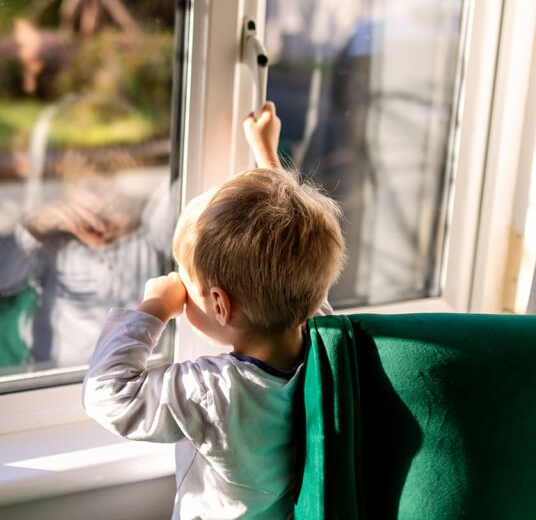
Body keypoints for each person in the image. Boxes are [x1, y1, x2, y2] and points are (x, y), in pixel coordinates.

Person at [82, 101, 345, 519]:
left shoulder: (214, 393)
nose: (180, 290)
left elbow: (109, 396)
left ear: (220, 304)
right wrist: (267, 159)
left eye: (186, 282)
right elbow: (291, 261)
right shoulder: (327, 344)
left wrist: (154, 309)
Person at [0, 151, 175, 368]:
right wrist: (37, 225)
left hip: (134, 378)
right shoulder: (54, 246)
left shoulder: (147, 238)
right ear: (65, 194)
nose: (102, 206)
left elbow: (174, 193)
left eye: (119, 197)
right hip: (57, 379)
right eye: (92, 188)